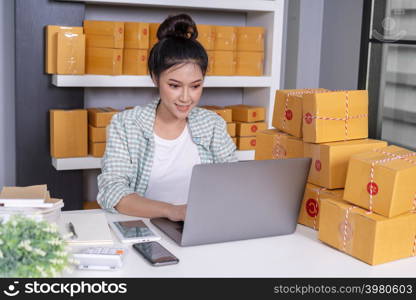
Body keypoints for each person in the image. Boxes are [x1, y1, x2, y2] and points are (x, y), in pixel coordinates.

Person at [97, 14, 237, 222]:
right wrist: (172, 211)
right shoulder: (126, 124)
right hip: (145, 227)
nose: (186, 97)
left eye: (196, 86)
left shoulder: (212, 124)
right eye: (174, 85)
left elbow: (234, 181)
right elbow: (112, 191)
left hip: (202, 225)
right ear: (155, 78)